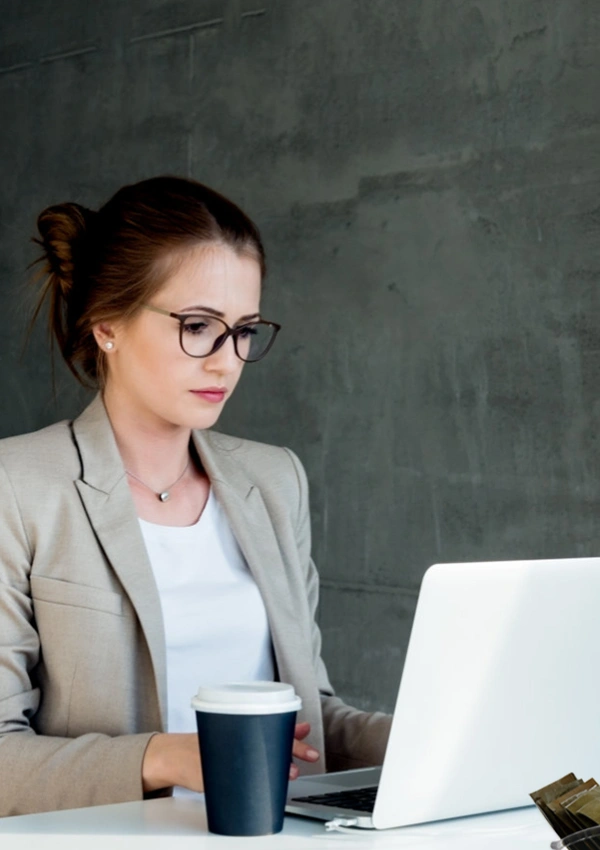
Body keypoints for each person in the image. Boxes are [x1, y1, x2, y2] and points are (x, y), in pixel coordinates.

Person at [0, 176, 390, 817]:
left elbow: (308, 722)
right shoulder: (19, 488)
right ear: (107, 326)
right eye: (198, 326)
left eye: (244, 331)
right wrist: (166, 757)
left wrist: (430, 741)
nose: (226, 362)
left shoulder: (273, 482)